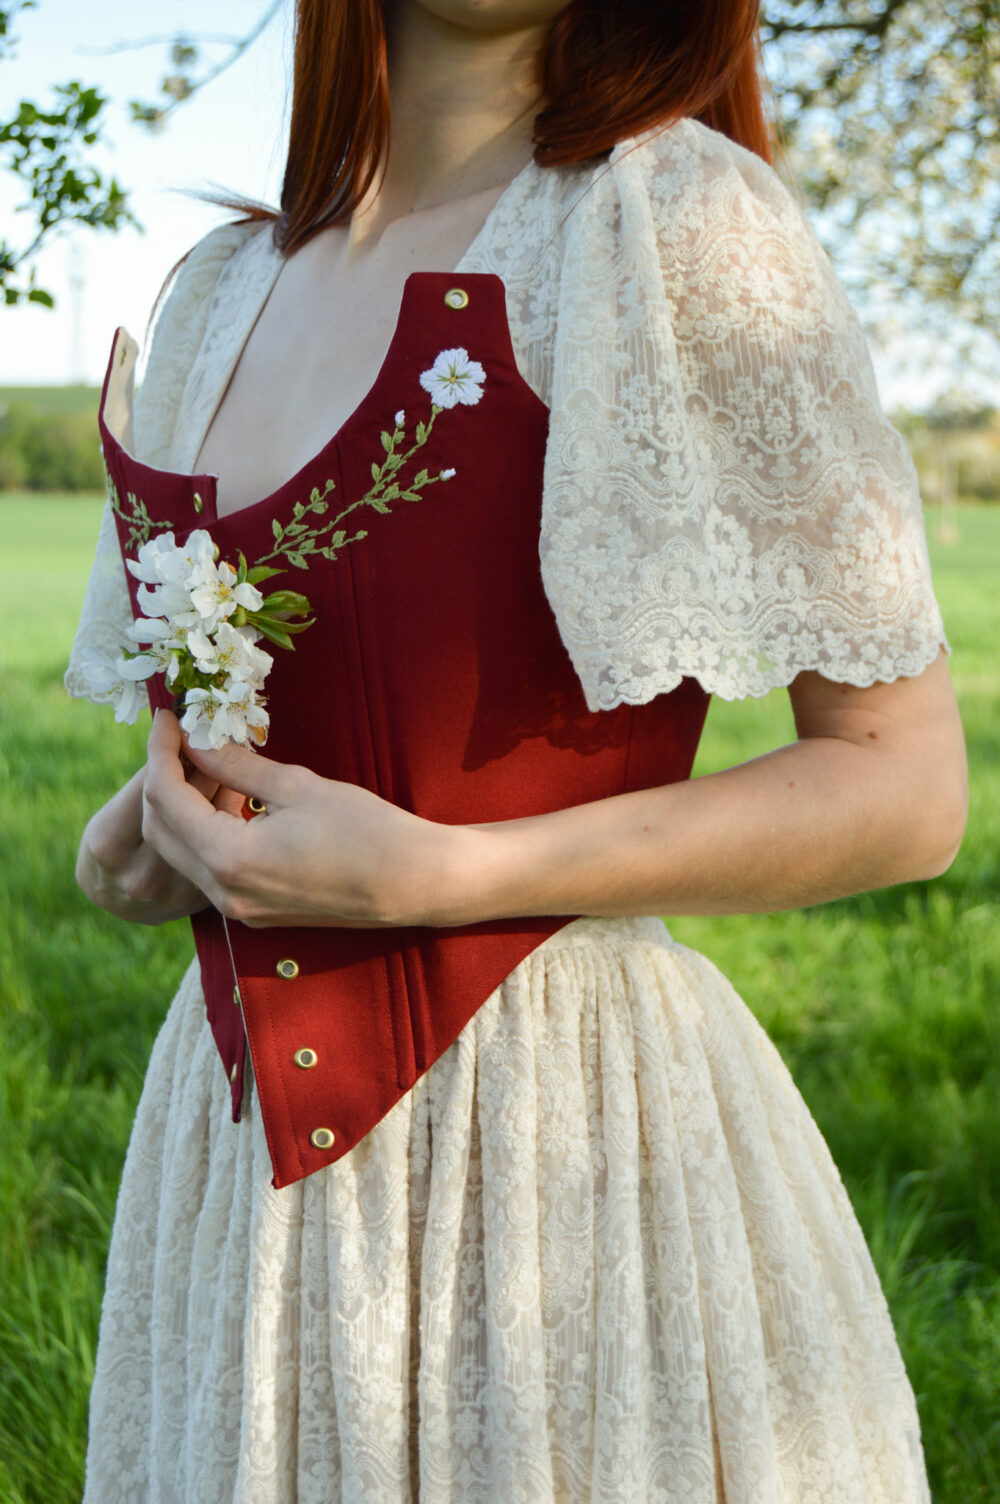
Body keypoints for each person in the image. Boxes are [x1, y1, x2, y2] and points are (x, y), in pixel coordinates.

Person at [65, 0, 968, 1498]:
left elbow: (904, 783)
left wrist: (443, 873)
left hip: (558, 1145)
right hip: (236, 1163)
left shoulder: (668, 226)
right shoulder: (222, 291)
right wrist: (167, 828)